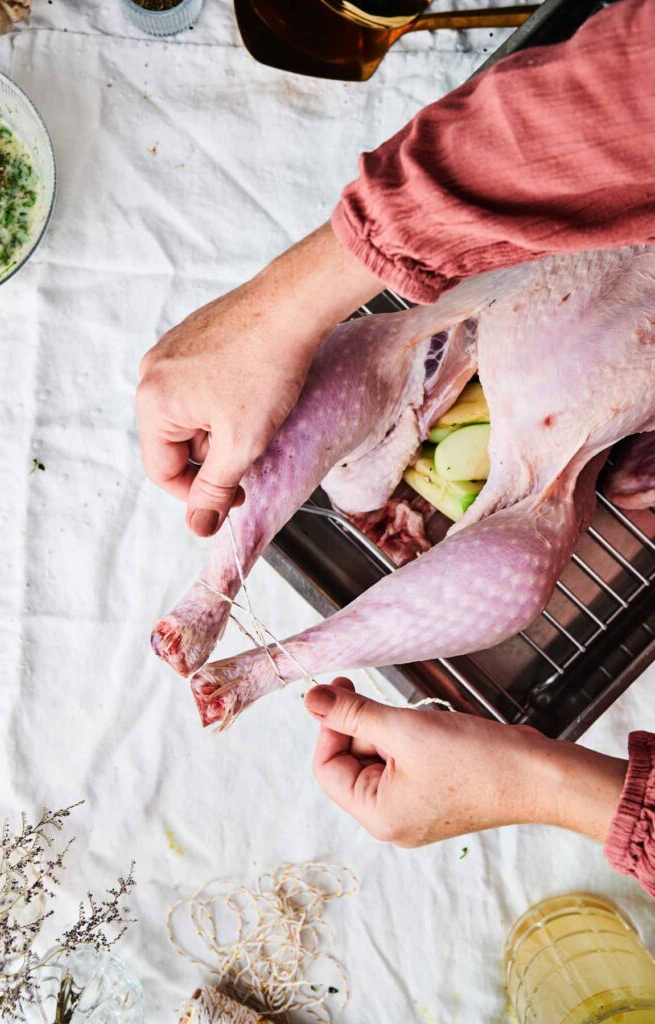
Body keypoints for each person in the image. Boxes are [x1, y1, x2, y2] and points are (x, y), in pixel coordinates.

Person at [136, 0, 655, 896]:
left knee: (510, 552)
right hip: (504, 293)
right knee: (380, 377)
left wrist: (554, 788)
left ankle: (275, 661)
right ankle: (215, 581)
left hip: (545, 395)